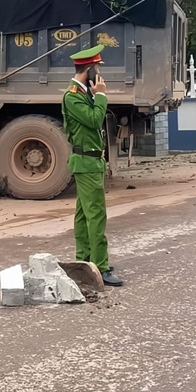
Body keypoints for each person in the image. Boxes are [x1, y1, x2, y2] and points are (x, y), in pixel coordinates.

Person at [62, 44, 122, 287]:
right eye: (96, 68)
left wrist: (95, 95)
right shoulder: (72, 97)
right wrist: (101, 96)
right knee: (96, 214)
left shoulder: (83, 93)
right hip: (85, 162)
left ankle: (85, 260)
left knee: (83, 214)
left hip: (91, 161)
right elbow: (95, 119)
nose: (98, 73)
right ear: (88, 70)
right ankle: (102, 266)